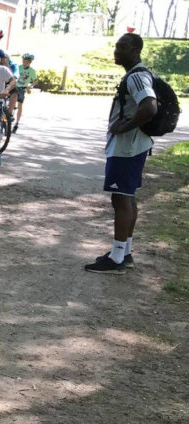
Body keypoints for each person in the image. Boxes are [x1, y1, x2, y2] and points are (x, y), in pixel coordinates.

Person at [85, 33, 157, 274]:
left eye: (122, 47)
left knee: (121, 199)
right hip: (132, 146)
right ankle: (124, 252)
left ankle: (116, 259)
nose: (116, 51)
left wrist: (123, 127)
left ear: (136, 50)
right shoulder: (137, 74)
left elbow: (150, 106)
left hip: (127, 147)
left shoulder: (137, 76)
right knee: (127, 197)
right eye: (116, 46)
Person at [11, 53, 38, 132]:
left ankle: (17, 123)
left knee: (20, 105)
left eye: (27, 62)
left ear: (30, 62)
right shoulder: (18, 67)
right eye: (24, 61)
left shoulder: (32, 71)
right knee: (10, 101)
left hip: (22, 88)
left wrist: (30, 86)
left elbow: (35, 81)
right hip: (15, 86)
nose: (25, 63)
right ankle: (9, 116)